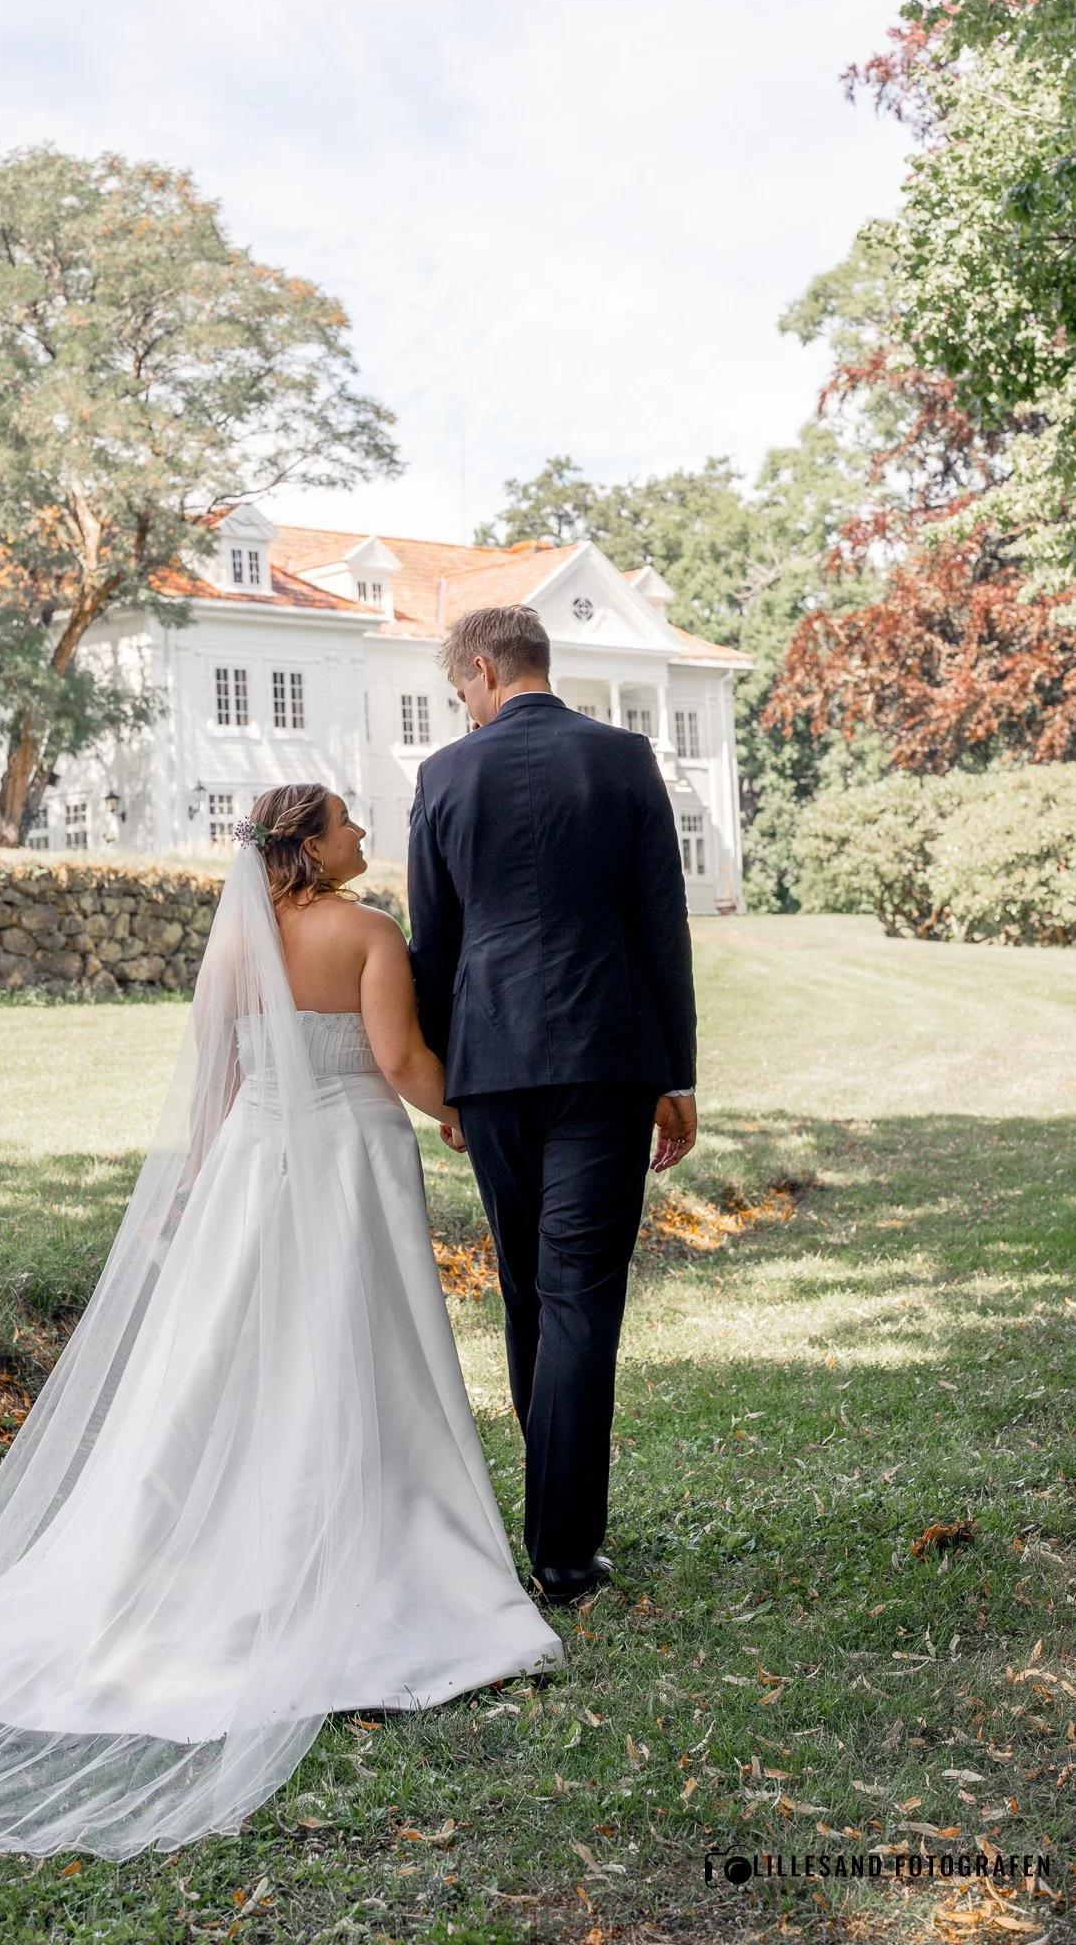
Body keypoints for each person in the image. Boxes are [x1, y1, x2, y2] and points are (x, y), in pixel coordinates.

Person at [0, 782, 560, 1874]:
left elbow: (219, 1079)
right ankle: (375, 1537)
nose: (361, 837)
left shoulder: (237, 944)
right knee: (359, 1354)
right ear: (306, 845)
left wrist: (209, 1189)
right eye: (345, 823)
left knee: (226, 1371)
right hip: (349, 1166)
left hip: (253, 1170)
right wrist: (461, 1114)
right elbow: (397, 1064)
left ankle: (194, 1549)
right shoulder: (367, 932)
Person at [408, 604, 698, 1608]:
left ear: (481, 669)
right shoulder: (623, 758)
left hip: (489, 1063)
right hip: (608, 1056)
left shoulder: (443, 776)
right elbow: (660, 921)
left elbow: (431, 945)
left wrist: (442, 1075)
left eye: (461, 692)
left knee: (528, 1288)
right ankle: (565, 1552)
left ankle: (546, 1531)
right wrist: (678, 1073)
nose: (465, 708)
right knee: (581, 1294)